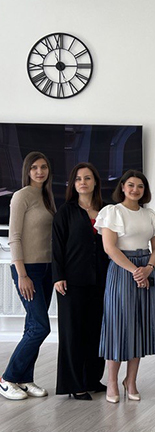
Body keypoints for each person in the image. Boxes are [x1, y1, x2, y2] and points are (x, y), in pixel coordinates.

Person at [95, 170, 155, 403]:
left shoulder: (150, 215)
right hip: (122, 270)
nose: (135, 190)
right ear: (123, 187)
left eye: (140, 186)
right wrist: (135, 271)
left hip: (146, 269)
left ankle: (131, 381)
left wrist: (148, 269)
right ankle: (112, 382)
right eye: (131, 185)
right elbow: (110, 248)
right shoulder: (112, 212)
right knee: (118, 325)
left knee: (140, 325)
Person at [0, 152, 56, 401]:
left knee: (32, 325)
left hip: (47, 269)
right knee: (41, 327)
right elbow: (14, 237)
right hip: (28, 269)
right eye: (34, 168)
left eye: (43, 167)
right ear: (27, 171)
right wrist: (22, 274)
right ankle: (7, 378)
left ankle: (25, 378)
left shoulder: (46, 196)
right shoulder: (21, 195)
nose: (39, 172)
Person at [52, 162, 109, 400]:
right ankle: (74, 385)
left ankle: (93, 379)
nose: (82, 182)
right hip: (71, 282)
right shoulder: (65, 212)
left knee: (97, 330)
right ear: (73, 184)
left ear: (95, 182)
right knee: (72, 333)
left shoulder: (107, 210)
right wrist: (58, 276)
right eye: (78, 179)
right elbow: (56, 246)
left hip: (102, 280)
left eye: (87, 178)